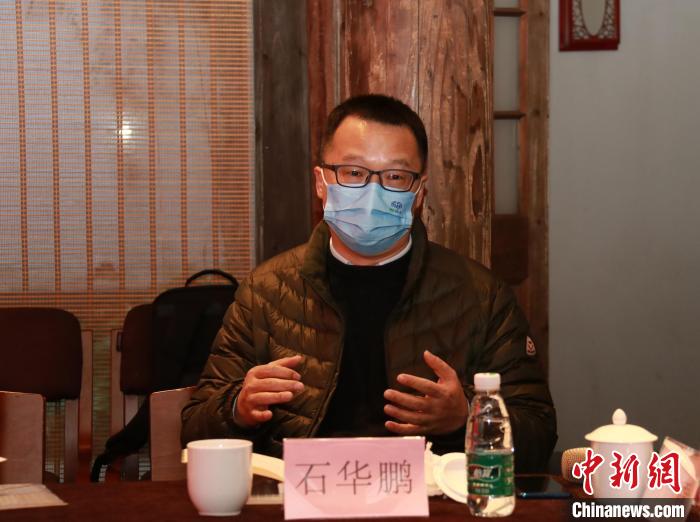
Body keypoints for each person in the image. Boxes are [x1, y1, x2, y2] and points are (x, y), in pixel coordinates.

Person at [181, 94, 557, 472]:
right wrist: (239, 407)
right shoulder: (266, 291)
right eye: (353, 172)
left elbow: (538, 434)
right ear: (321, 182)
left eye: (395, 176)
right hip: (302, 492)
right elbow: (194, 427)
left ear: (419, 192)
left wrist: (467, 416)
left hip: (427, 496)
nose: (372, 191)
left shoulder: (481, 295)